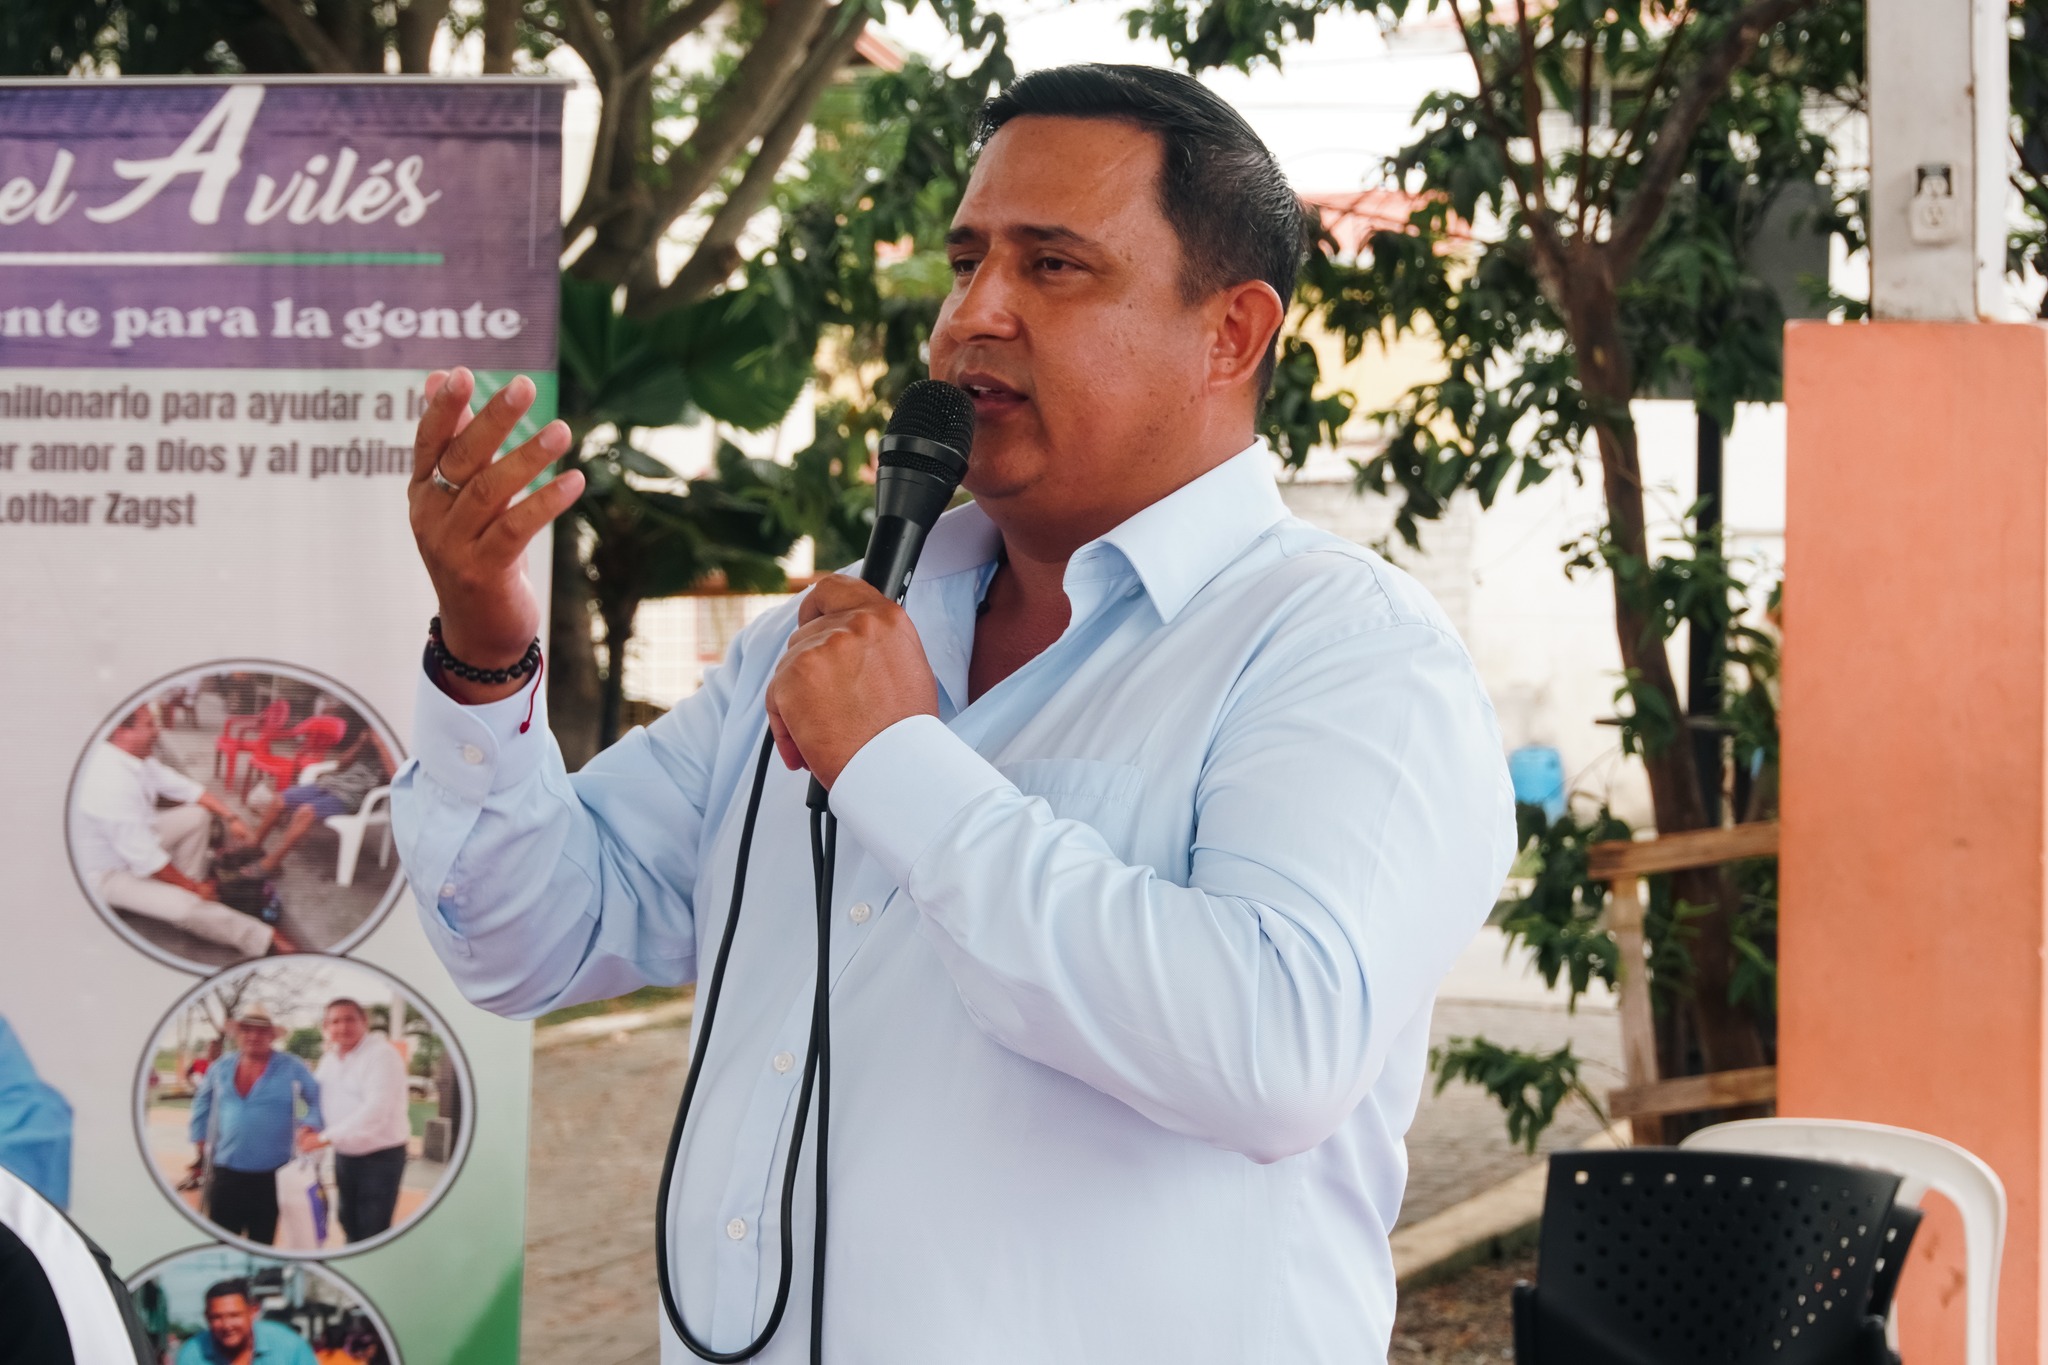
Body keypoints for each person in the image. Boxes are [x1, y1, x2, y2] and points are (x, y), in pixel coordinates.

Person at [394, 65, 1514, 1362]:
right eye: (967, 260)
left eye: (1054, 266)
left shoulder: (1344, 652)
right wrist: (486, 650)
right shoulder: (824, 639)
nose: (974, 313)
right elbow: (530, 938)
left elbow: (1273, 1052)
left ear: (1231, 333)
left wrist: (898, 764)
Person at [72, 705, 298, 958]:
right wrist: (193, 888)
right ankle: (262, 937)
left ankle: (189, 895)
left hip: (136, 843)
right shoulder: (109, 782)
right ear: (120, 732)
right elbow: (148, 859)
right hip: (108, 874)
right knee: (185, 908)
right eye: (149, 725)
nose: (158, 730)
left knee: (197, 815)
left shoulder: (135, 759)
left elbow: (188, 789)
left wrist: (231, 817)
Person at [187, 1007, 324, 1245]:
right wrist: (199, 1136)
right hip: (225, 1167)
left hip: (272, 1172)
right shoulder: (221, 1066)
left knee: (261, 1241)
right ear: (238, 1035)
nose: (253, 1036)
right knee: (221, 1240)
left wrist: (310, 1125)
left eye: (261, 1031)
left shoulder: (291, 1066)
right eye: (246, 1030)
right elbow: (203, 1101)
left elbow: (316, 1100)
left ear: (272, 1036)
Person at [305, 998, 412, 1241]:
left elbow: (377, 1109)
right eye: (335, 1021)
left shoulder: (382, 1054)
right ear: (326, 1027)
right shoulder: (329, 1060)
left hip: (380, 1159)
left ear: (364, 1022)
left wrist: (323, 1138)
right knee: (347, 1221)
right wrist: (309, 1126)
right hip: (345, 1156)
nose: (343, 1027)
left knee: (372, 1229)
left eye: (349, 1019)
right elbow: (316, 1099)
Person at [244, 711, 394, 877]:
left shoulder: (399, 743)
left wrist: (381, 745)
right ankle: (253, 846)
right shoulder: (368, 740)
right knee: (280, 800)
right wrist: (360, 743)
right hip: (331, 783)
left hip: (355, 795)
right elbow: (341, 764)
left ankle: (272, 863)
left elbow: (398, 778)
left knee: (306, 812)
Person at [174, 1280, 316, 1365]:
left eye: (234, 1315)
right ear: (207, 1318)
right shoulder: (192, 1353)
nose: (227, 1325)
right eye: (217, 1317)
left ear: (253, 1311)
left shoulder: (289, 1345)